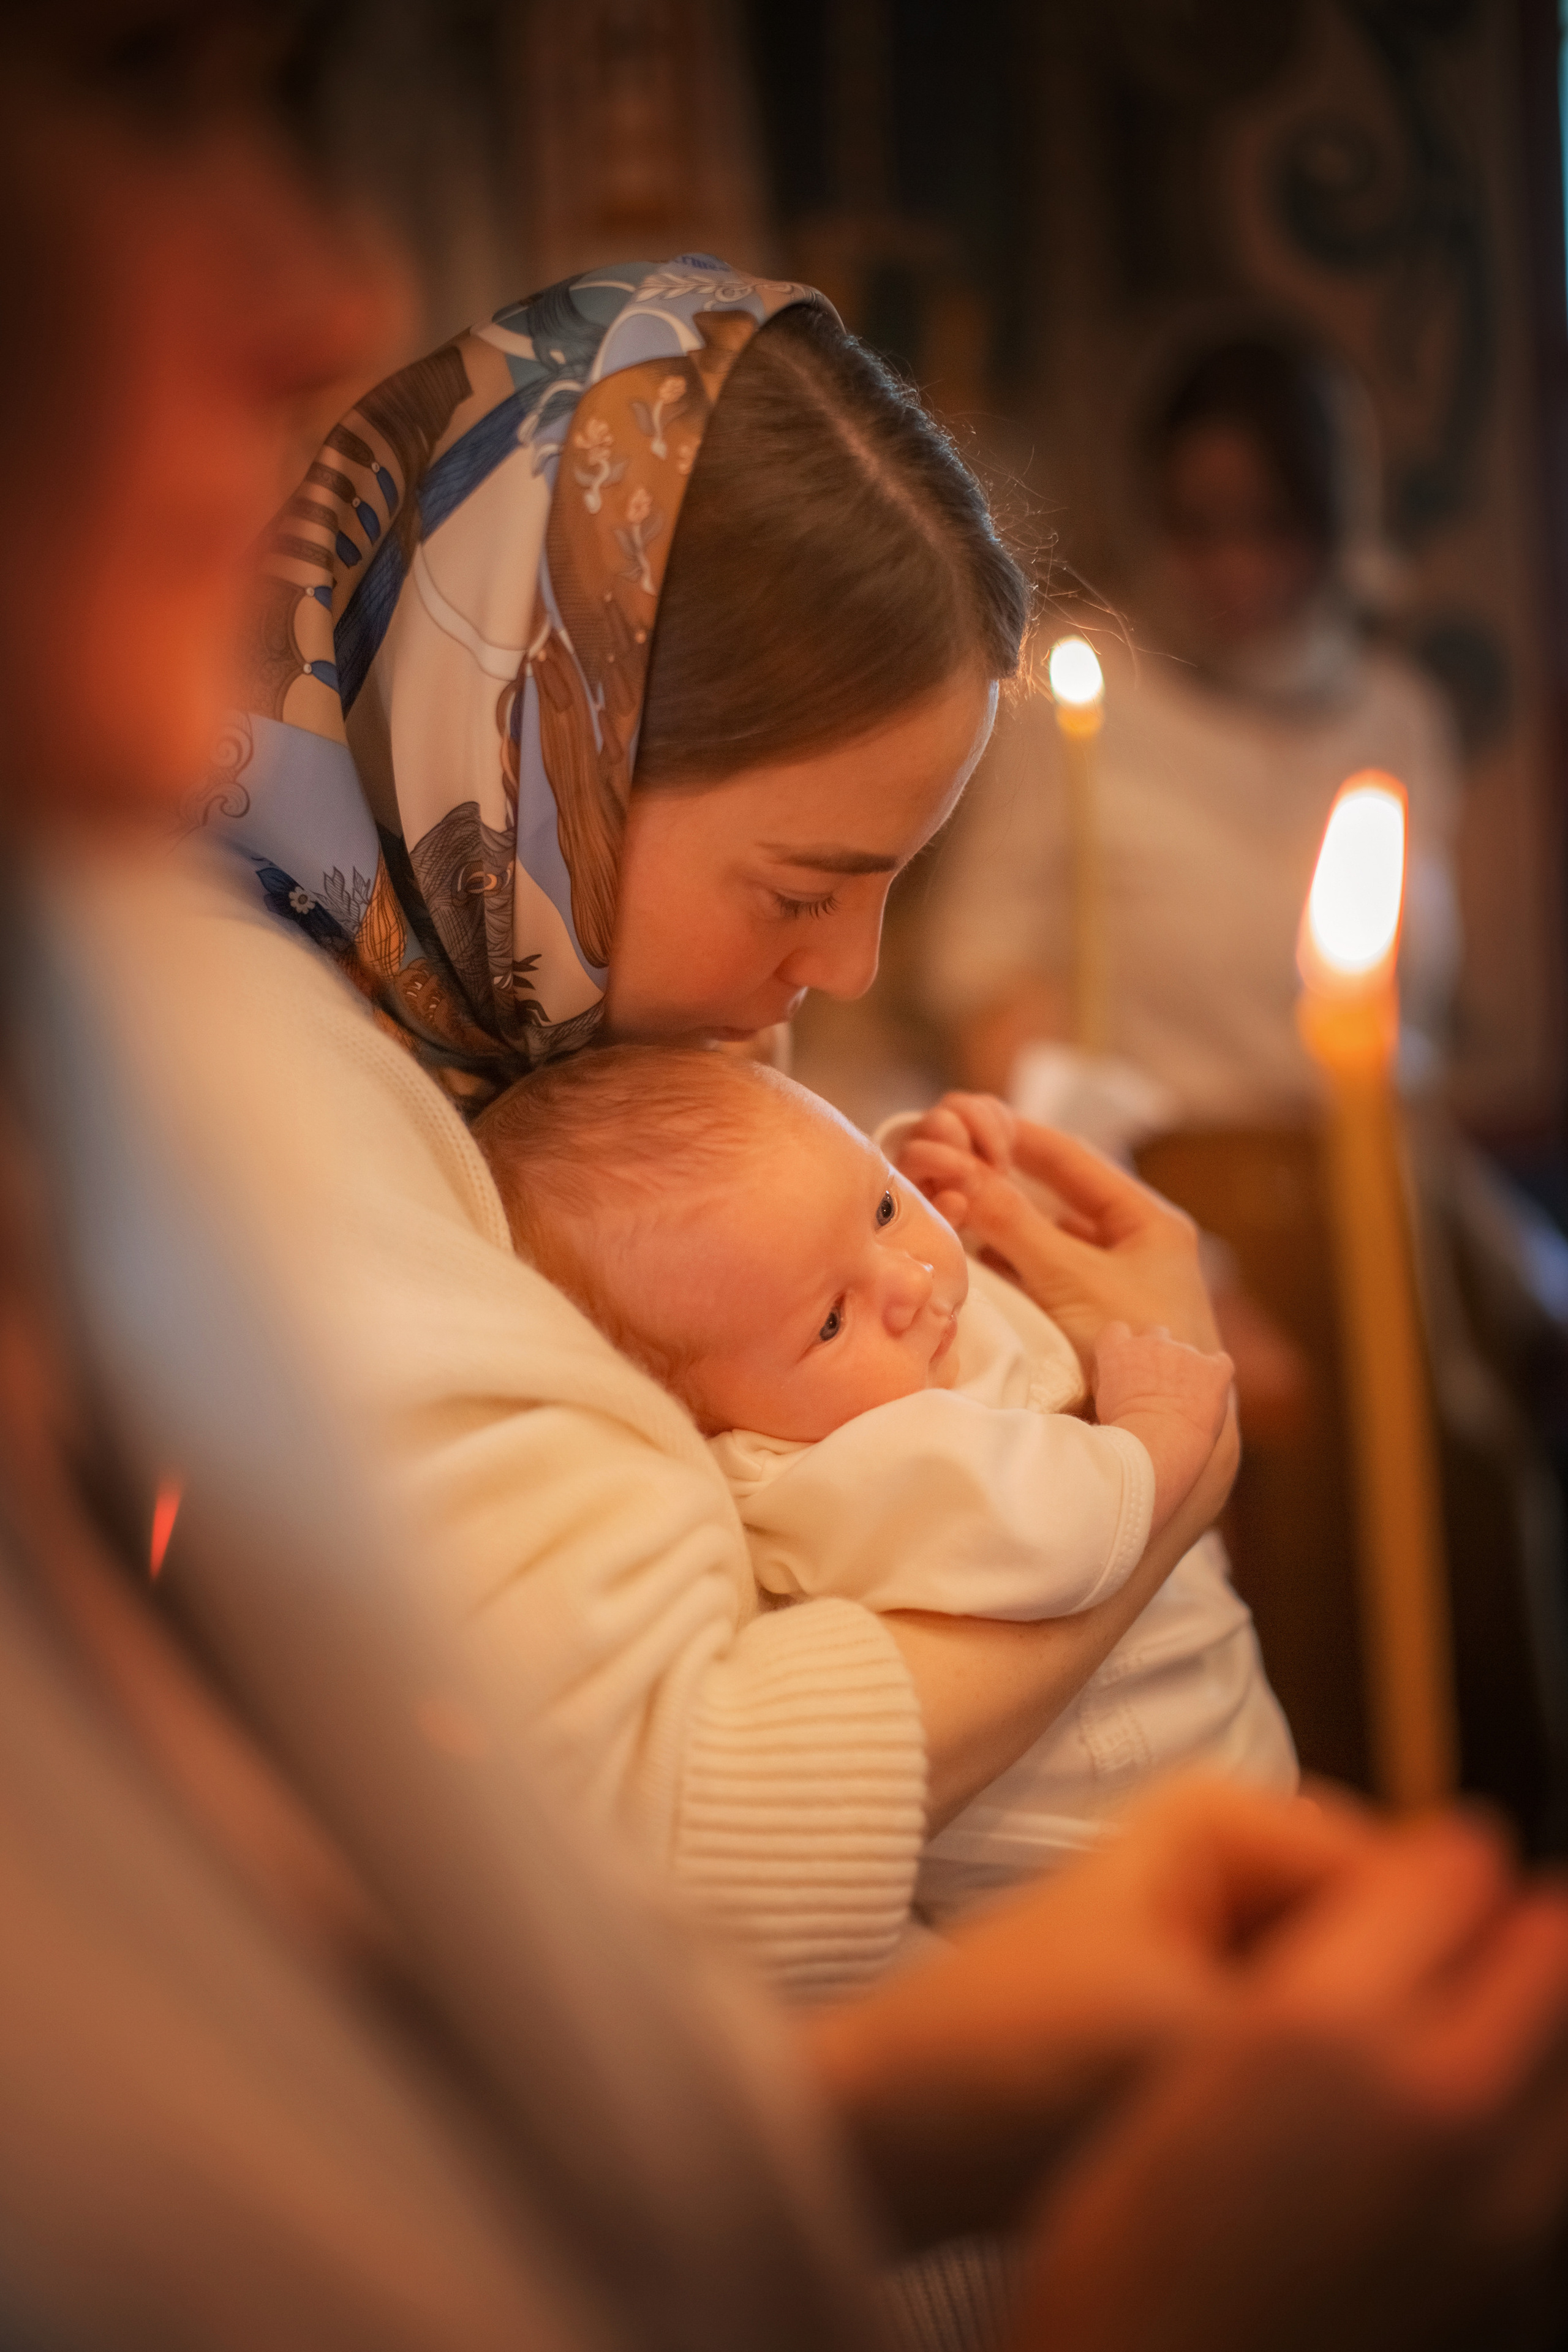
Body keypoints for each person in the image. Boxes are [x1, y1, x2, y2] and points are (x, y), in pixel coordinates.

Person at [12, 12, 1568, 2346]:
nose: (838, 975)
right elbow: (649, 1824)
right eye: (805, 884)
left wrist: (912, 2109)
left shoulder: (464, 1011)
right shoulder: (239, 1063)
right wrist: (1145, 1461)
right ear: (535, 751)